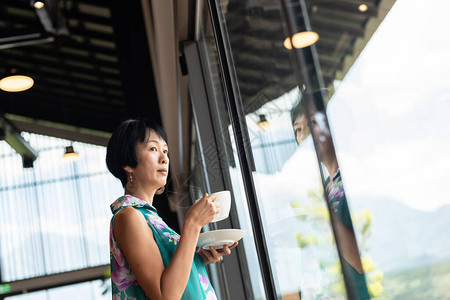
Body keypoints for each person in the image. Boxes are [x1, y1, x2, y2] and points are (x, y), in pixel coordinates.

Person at [106, 118, 237, 300]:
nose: (164, 158)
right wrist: (193, 223)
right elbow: (164, 296)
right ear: (128, 163)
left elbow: (169, 277)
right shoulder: (129, 216)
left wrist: (199, 256)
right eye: (153, 149)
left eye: (165, 151)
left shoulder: (148, 217)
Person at [291, 94, 370, 300]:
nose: (304, 135)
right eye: (298, 129)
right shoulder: (326, 187)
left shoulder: (357, 176)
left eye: (312, 123)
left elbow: (364, 260)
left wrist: (318, 212)